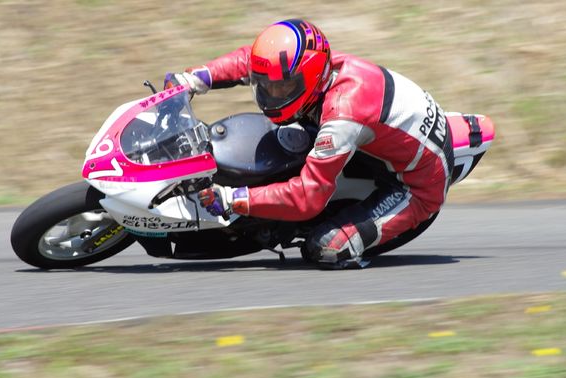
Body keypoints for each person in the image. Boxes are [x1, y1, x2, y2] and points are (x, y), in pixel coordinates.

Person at [164, 18, 454, 269]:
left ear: (311, 77)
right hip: (387, 141)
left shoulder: (342, 116)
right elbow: (249, 61)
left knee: (326, 247)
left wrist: (233, 200)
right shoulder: (317, 65)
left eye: (283, 87)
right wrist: (193, 79)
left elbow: (308, 198)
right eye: (267, 85)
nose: (271, 93)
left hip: (416, 185)